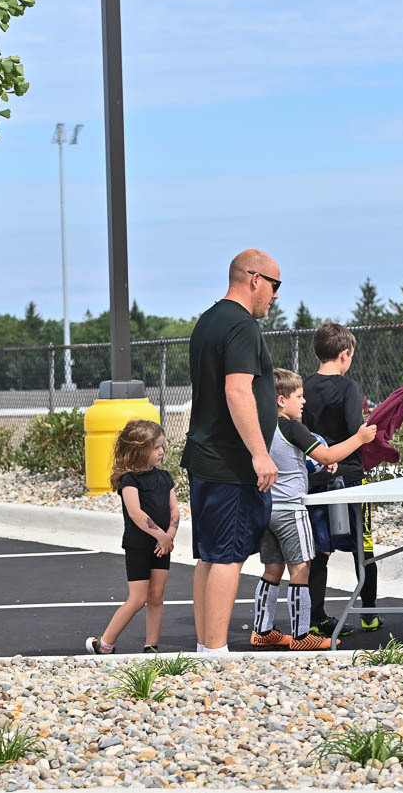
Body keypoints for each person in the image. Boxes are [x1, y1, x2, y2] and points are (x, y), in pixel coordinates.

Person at [180, 249, 281, 653]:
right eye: (275, 286)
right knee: (227, 557)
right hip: (230, 462)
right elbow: (237, 390)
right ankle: (216, 654)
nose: (275, 296)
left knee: (209, 556)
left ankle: (206, 648)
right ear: (255, 279)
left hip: (205, 456)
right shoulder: (241, 327)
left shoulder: (208, 320)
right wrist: (260, 453)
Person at [252, 368, 377, 650]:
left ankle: (262, 629)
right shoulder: (293, 427)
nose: (304, 402)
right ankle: (301, 634)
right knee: (301, 568)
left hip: (268, 506)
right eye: (299, 396)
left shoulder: (262, 426)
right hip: (292, 510)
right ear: (281, 400)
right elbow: (326, 454)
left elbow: (292, 465)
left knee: (272, 568)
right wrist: (359, 438)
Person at [301, 322, 381, 637]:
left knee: (320, 550)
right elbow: (354, 429)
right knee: (364, 546)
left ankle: (317, 616)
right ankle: (369, 614)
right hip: (348, 475)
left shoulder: (303, 387)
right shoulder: (349, 387)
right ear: (345, 355)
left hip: (317, 476)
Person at [85, 419, 178, 654]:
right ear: (139, 450)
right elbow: (136, 513)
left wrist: (169, 536)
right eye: (156, 447)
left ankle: (152, 646)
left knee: (156, 597)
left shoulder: (165, 477)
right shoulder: (130, 480)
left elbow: (174, 511)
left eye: (162, 446)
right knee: (137, 599)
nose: (161, 451)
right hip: (138, 545)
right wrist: (161, 536)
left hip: (161, 546)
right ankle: (104, 643)